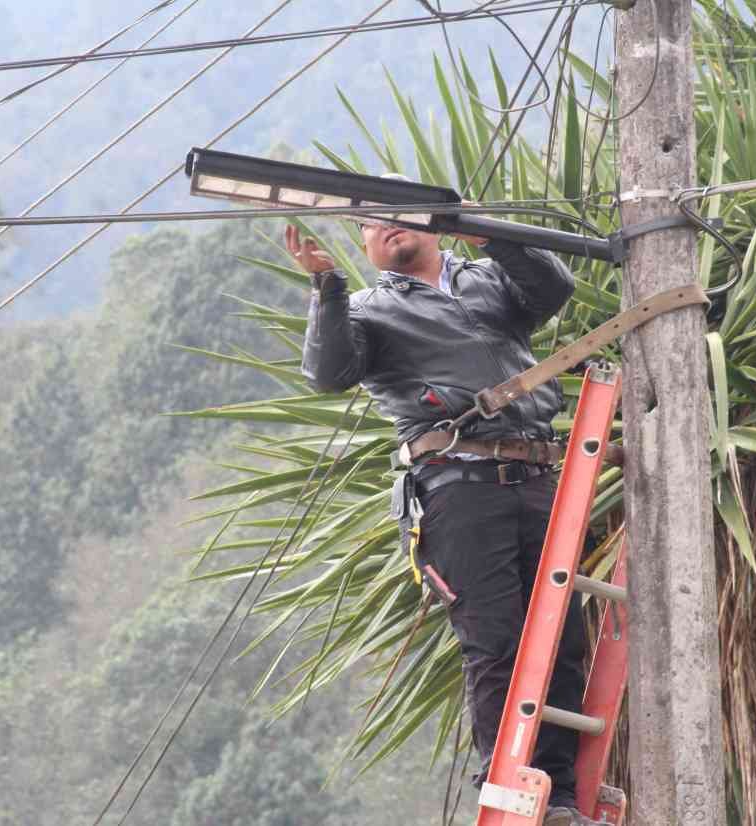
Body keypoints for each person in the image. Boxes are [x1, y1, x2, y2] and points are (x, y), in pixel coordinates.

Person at [290, 208, 605, 826]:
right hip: (457, 487)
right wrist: (327, 288)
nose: (387, 226)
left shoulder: (489, 282)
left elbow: (552, 288)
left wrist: (489, 235)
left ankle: (559, 798)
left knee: (562, 641)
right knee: (496, 643)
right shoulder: (368, 311)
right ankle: (507, 787)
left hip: (537, 477)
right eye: (370, 224)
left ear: (433, 226)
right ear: (366, 246)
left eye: (398, 215)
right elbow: (328, 374)